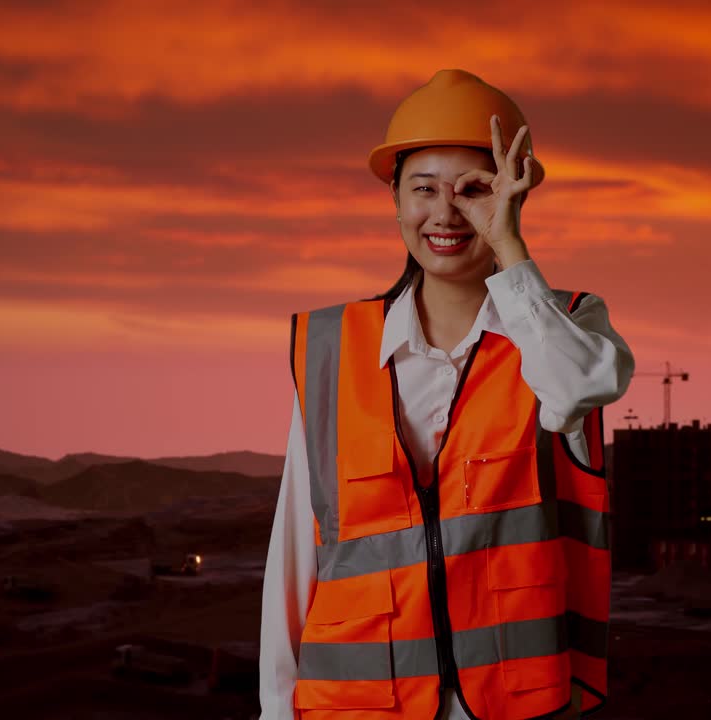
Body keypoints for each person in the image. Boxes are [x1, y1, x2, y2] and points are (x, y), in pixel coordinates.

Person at [258, 69, 634, 719]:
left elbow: (580, 388)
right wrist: (273, 709)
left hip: (514, 705)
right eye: (422, 189)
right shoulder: (332, 346)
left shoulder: (566, 324)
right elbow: (294, 550)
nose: (445, 214)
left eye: (475, 191)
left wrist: (510, 248)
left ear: (512, 196)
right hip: (354, 705)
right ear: (395, 201)